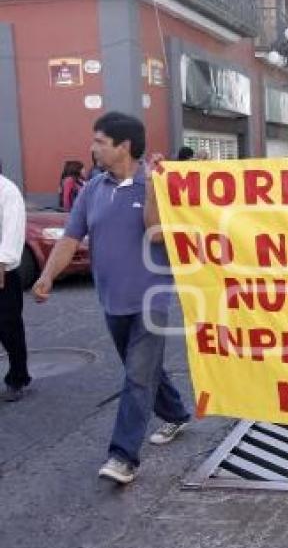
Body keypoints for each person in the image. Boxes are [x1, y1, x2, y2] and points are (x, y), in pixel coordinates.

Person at [33, 112, 191, 485]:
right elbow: (71, 238)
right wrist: (46, 275)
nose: (93, 148)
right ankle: (176, 414)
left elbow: (157, 234)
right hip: (111, 298)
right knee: (144, 370)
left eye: (100, 141)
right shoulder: (92, 189)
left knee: (137, 376)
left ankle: (123, 457)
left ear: (124, 146)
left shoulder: (157, 185)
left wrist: (153, 186)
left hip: (152, 298)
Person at [0, 161, 30, 402]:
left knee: (8, 328)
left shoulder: (7, 191)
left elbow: (12, 230)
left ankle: (18, 377)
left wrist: (2, 262)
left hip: (3, 273)